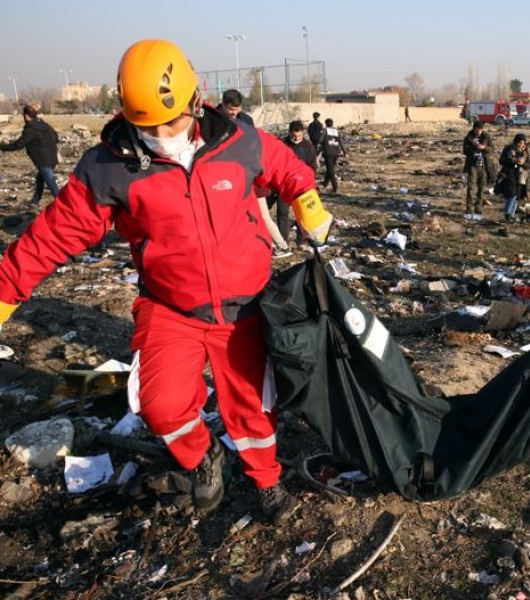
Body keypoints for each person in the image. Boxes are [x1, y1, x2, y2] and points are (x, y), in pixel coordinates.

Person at [0, 39, 333, 523]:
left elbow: (288, 169)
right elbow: (51, 237)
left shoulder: (240, 141)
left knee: (253, 411)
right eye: (147, 125)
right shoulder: (107, 167)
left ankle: (264, 481)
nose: (161, 133)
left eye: (171, 120)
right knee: (160, 406)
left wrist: (307, 202)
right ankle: (204, 458)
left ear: (196, 101)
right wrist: (6, 291)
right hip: (170, 308)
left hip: (246, 309)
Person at [0, 105, 60, 205]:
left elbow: (19, 145)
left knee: (51, 183)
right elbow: (56, 136)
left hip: (43, 160)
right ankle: (35, 201)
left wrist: (3, 147)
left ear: (26, 116)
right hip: (52, 157)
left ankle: (63, 203)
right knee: (40, 179)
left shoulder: (30, 130)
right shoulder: (44, 125)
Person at [275, 120, 318, 250]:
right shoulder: (283, 144)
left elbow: (312, 166)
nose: (296, 138)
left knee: (302, 213)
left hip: (301, 186)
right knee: (282, 212)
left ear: (303, 133)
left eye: (299, 136)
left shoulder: (308, 146)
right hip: (284, 184)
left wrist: (307, 180)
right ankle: (283, 241)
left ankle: (301, 241)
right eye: (294, 135)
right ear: (289, 132)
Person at [462, 121, 494, 216]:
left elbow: (492, 149)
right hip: (472, 166)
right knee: (471, 187)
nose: (478, 132)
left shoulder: (487, 137)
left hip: (483, 166)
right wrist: (474, 149)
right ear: (473, 129)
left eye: (479, 131)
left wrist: (484, 147)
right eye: (476, 131)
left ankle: (478, 206)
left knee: (481, 187)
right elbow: (465, 151)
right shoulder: (468, 138)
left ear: (482, 130)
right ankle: (469, 207)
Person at [497, 133, 530, 222]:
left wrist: (522, 163)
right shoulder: (508, 149)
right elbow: (501, 161)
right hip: (509, 174)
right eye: (520, 143)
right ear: (516, 142)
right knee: (511, 194)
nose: (521, 145)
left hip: (521, 176)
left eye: (523, 143)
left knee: (517, 196)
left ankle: (512, 214)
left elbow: (528, 165)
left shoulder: (525, 152)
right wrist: (513, 160)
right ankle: (508, 214)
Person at [319, 118, 345, 194]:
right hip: (336, 152)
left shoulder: (325, 131)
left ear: (326, 124)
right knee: (330, 168)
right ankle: (325, 183)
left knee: (330, 170)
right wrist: (344, 151)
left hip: (328, 152)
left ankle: (335, 187)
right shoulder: (337, 131)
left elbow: (320, 140)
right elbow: (341, 142)